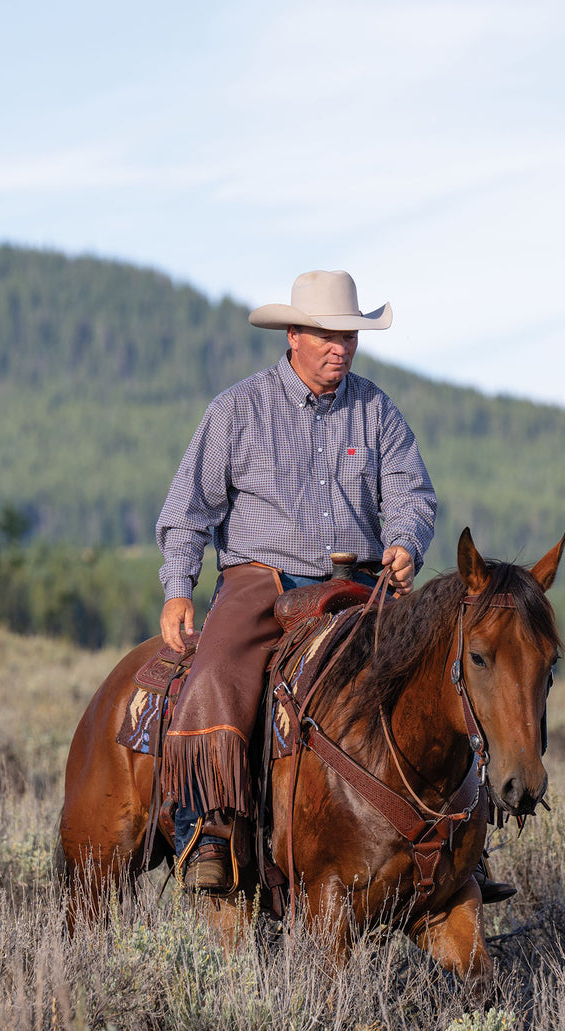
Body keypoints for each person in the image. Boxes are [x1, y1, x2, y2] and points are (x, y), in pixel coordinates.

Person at [155, 270, 437, 893]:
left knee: (438, 676)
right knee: (218, 669)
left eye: (350, 336)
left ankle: (454, 839)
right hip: (263, 578)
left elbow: (412, 494)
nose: (341, 347)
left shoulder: (376, 410)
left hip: (358, 582)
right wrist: (179, 588)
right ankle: (207, 826)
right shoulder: (238, 407)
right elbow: (188, 508)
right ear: (292, 334)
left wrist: (404, 544)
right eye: (326, 334)